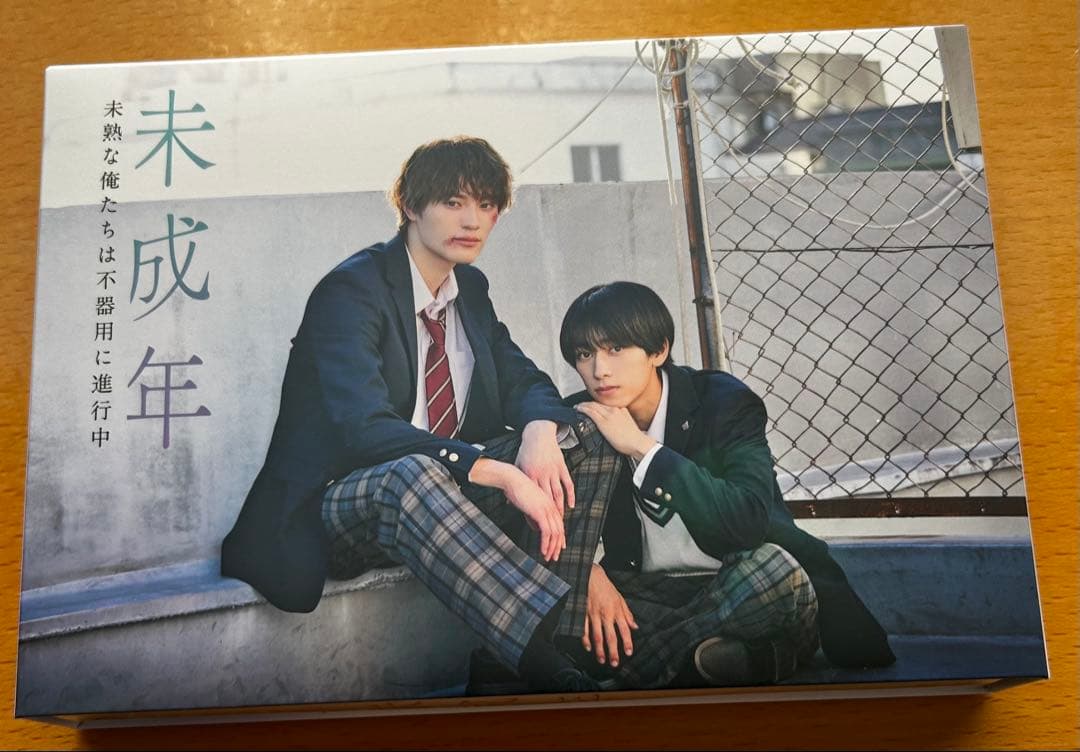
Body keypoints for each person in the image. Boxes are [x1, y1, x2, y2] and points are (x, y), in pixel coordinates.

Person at [221, 137, 621, 694]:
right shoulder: (352, 290)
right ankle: (551, 667)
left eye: (486, 205)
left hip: (443, 494)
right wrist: (496, 471)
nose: (472, 220)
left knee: (584, 434)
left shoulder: (469, 289)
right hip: (341, 504)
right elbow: (363, 429)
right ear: (410, 204)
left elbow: (522, 378)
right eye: (454, 202)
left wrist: (537, 432)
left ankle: (519, 659)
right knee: (415, 472)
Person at [557, 281, 895, 689]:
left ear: (658, 351)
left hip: (738, 583)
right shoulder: (583, 418)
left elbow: (747, 520)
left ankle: (625, 679)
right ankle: (747, 659)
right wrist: (588, 571)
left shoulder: (724, 403)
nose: (599, 370)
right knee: (560, 599)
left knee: (772, 571)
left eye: (615, 349)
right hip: (652, 593)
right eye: (585, 353)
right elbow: (544, 519)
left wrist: (645, 450)